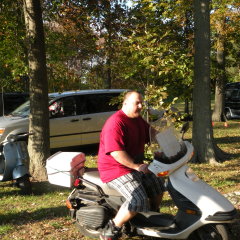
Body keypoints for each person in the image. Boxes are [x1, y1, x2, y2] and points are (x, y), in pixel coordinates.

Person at [97, 90, 165, 240]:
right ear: (125, 103)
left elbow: (152, 133)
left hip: (135, 165)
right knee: (138, 199)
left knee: (159, 184)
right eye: (137, 103)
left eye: (142, 102)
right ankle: (112, 228)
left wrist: (167, 144)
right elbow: (116, 153)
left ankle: (151, 217)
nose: (141, 106)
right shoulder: (115, 123)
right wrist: (137, 167)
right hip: (116, 169)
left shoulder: (137, 119)